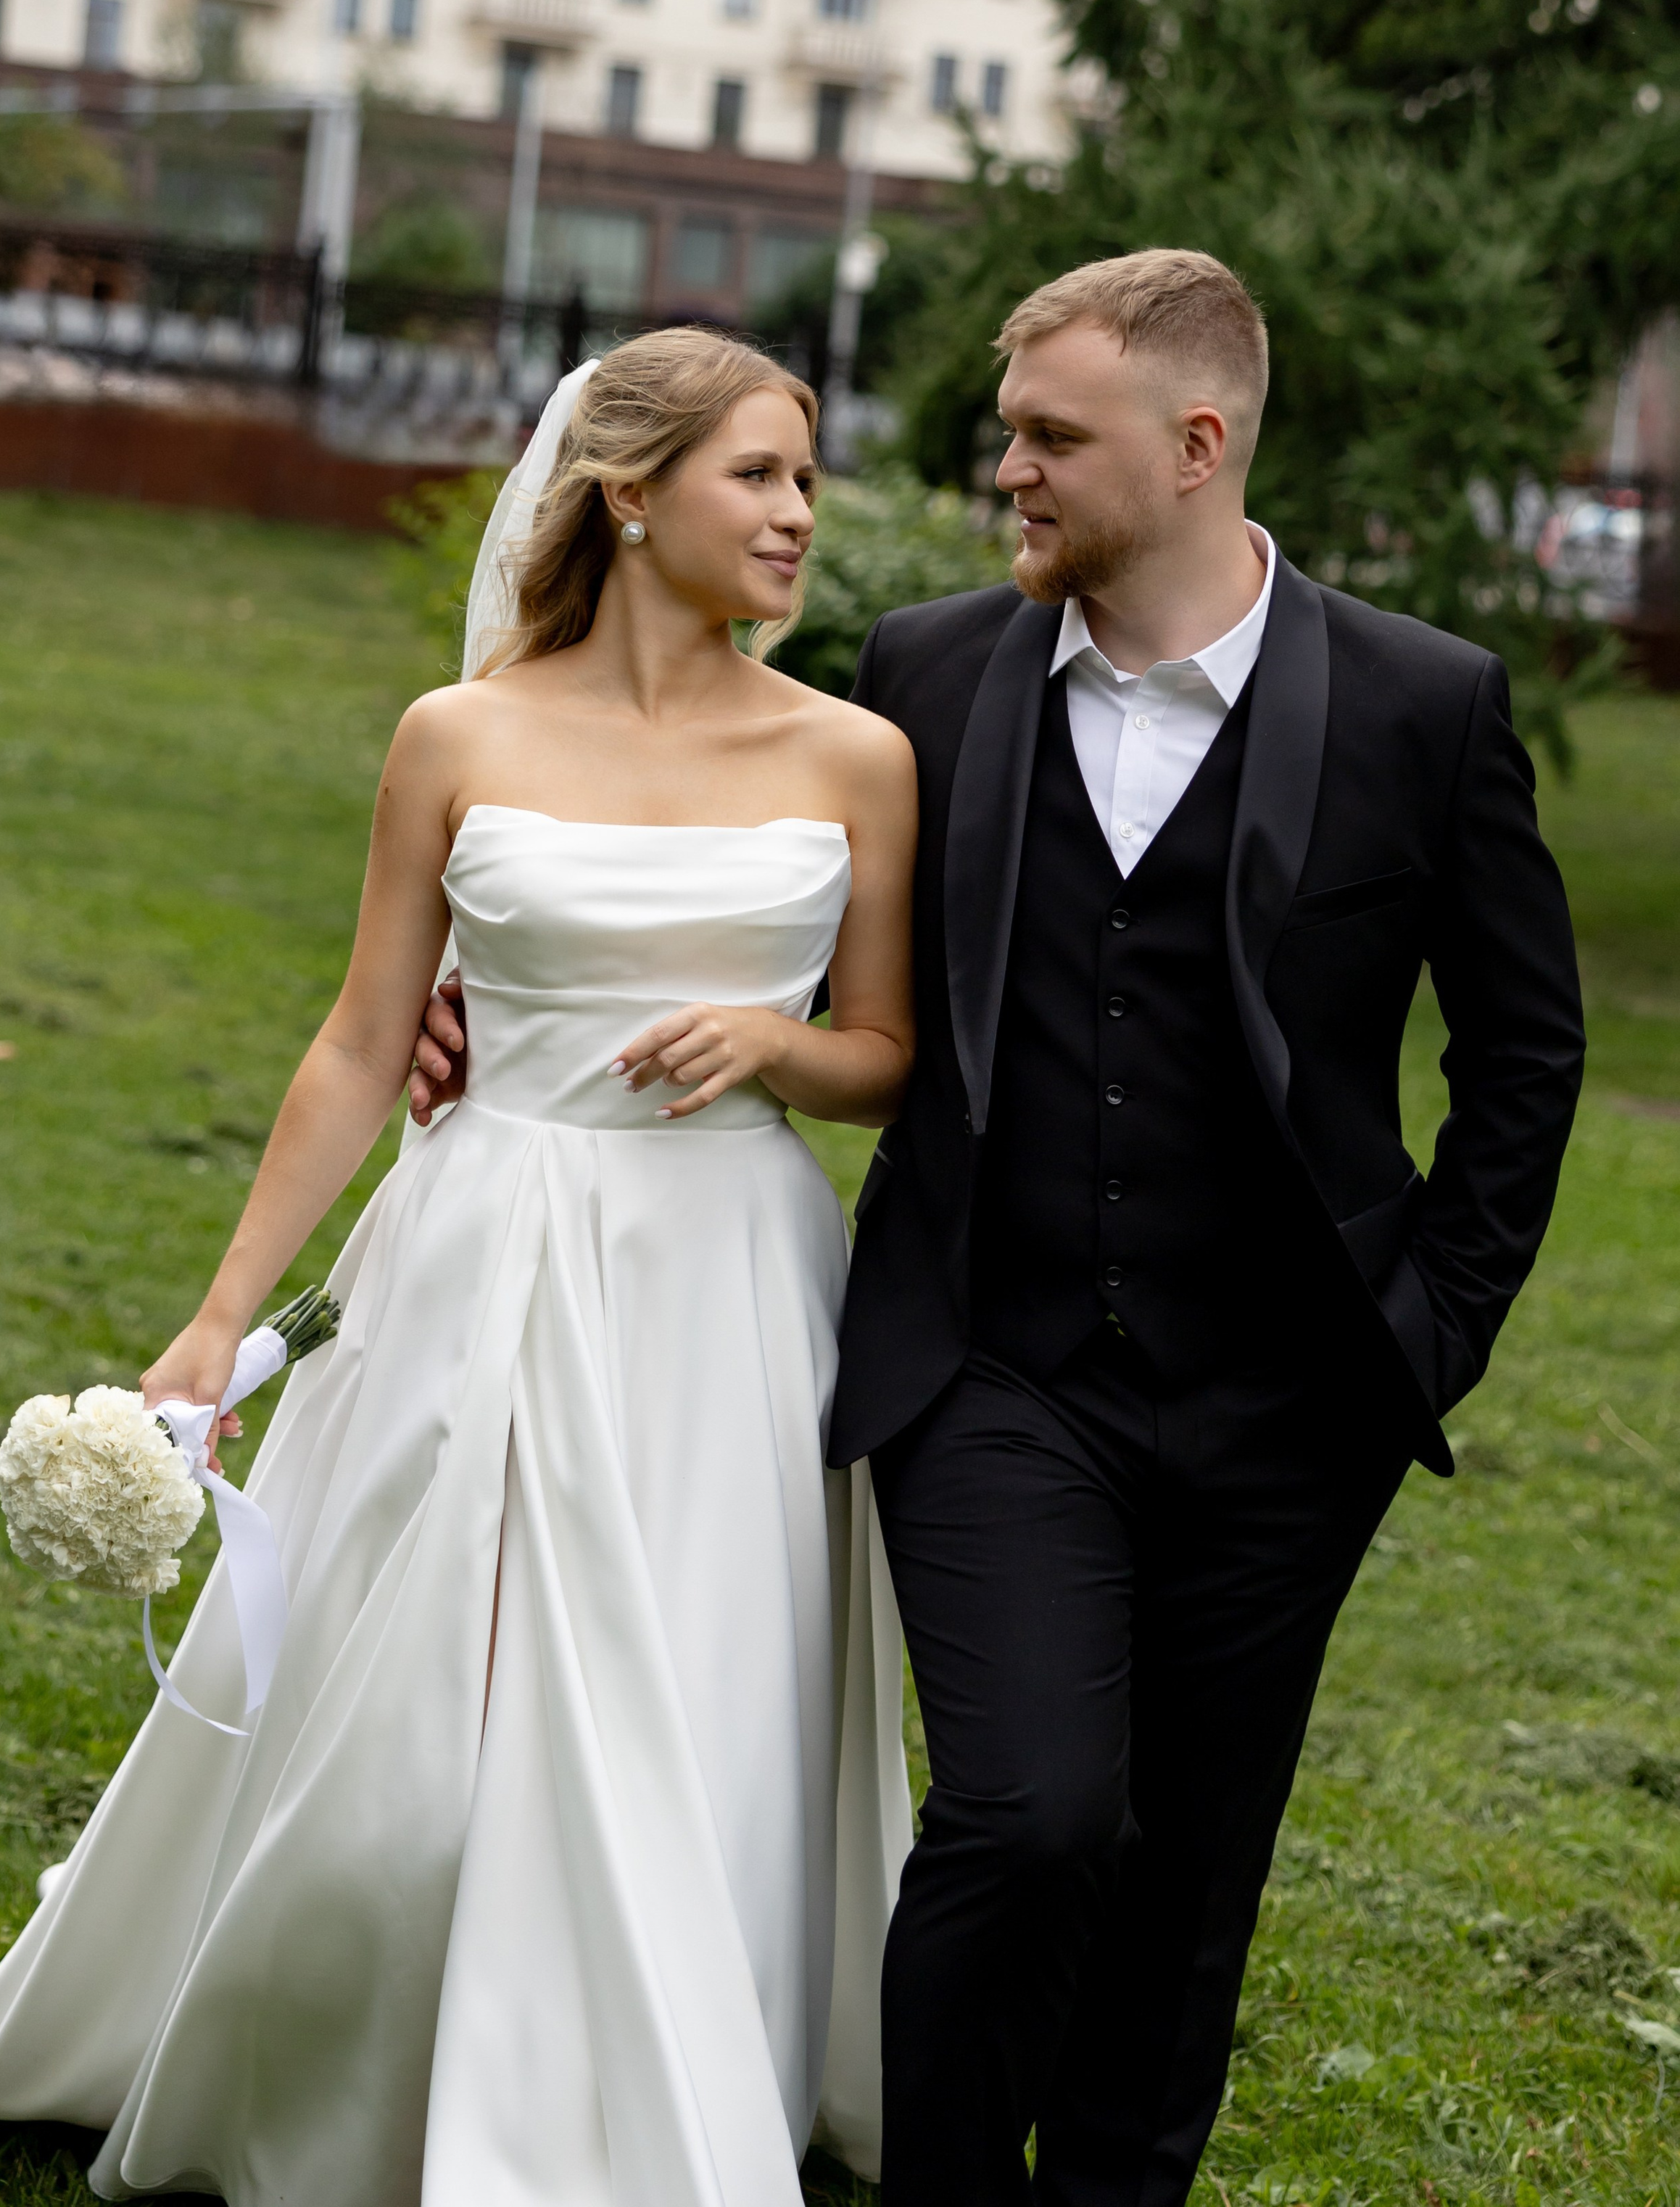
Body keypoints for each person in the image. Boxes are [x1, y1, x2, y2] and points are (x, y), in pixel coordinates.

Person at [407, 247, 1584, 2206]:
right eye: (1008, 431)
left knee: (1191, 1867)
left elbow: (1526, 1054)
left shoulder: (1423, 703)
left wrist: (1426, 1334)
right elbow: (753, 898)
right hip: (992, 1366)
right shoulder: (930, 673)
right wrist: (484, 999)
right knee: (1029, 1815)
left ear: (1193, 446)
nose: (1006, 470)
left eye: (1050, 437)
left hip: (1293, 1400)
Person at [0, 331, 919, 2207]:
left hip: (725, 1285)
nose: (798, 515)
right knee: (427, 1707)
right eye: (759, 474)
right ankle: (368, 2052)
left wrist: (778, 1048)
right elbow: (368, 1038)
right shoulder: (460, 736)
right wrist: (222, 1314)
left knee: (693, 1687)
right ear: (631, 495)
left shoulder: (856, 755)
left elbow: (887, 1056)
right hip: (479, 1245)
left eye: (806, 478)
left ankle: (664, 2064)